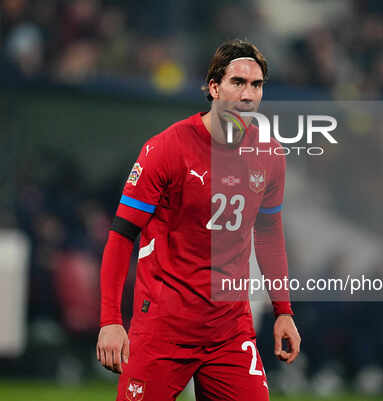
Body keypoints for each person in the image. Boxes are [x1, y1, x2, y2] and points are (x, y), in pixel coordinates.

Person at [97, 39, 300, 401]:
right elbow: (121, 236)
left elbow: (268, 233)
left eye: (257, 85)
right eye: (238, 82)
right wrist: (111, 320)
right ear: (213, 87)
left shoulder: (269, 154)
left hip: (229, 330)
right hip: (164, 325)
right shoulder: (167, 148)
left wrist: (283, 310)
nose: (248, 94)